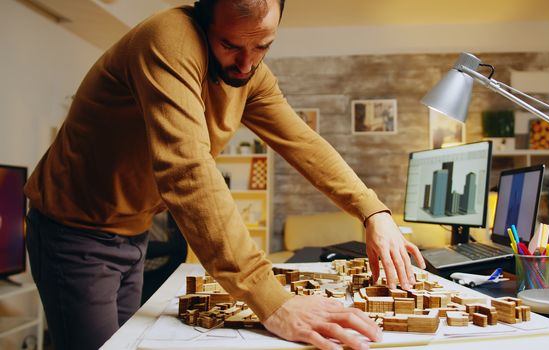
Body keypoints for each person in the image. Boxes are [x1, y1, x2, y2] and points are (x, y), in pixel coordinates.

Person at [24, 1, 426, 349]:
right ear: (202, 22)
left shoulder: (251, 75)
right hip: (73, 230)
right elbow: (187, 168)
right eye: (230, 44)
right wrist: (273, 301)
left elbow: (304, 143)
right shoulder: (169, 40)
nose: (247, 63)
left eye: (263, 46)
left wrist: (374, 212)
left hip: (133, 232)